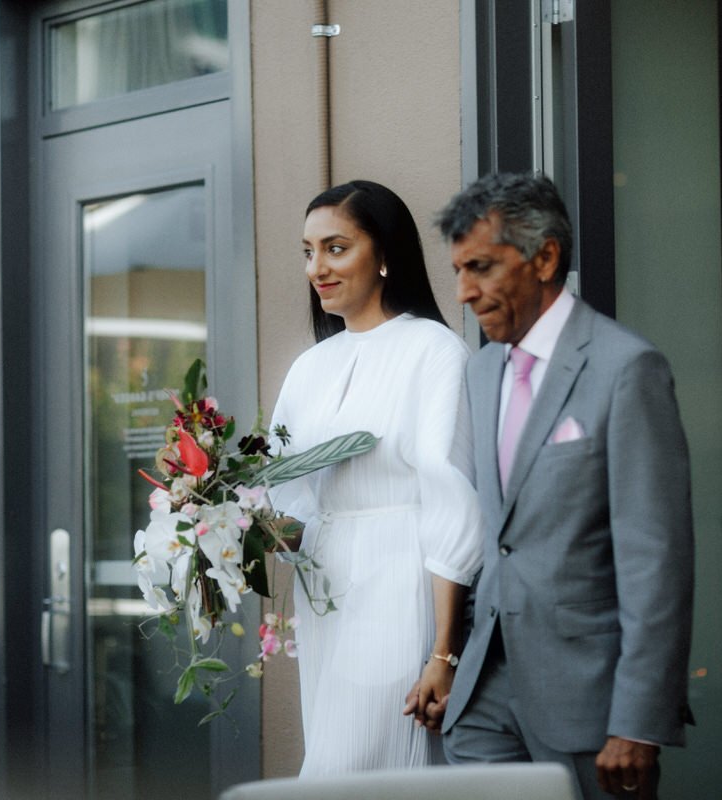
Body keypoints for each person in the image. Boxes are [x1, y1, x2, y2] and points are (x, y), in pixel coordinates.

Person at [431, 173, 695, 800]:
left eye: (482, 268)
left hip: (589, 701)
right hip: (485, 694)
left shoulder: (626, 369)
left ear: (545, 257)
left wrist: (638, 719)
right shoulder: (483, 370)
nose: (465, 292)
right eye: (459, 270)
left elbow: (655, 560)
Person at [267, 179, 482, 776]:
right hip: (328, 592)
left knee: (362, 769)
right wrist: (216, 532)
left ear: (385, 252)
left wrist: (444, 652)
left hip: (399, 582)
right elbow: (288, 504)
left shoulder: (434, 351)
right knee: (334, 758)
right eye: (308, 252)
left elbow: (451, 506)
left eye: (336, 248)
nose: (317, 267)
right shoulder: (309, 367)